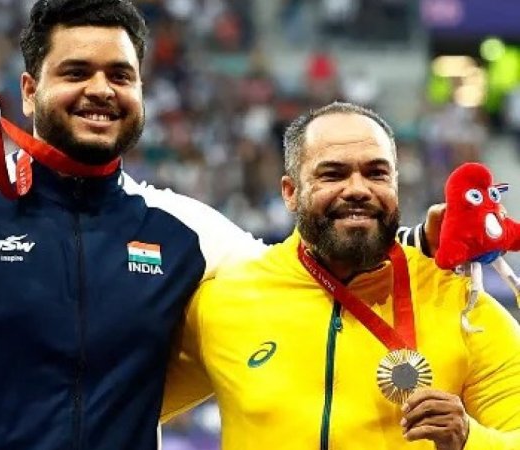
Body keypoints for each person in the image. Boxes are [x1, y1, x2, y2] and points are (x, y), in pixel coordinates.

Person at [0, 0, 433, 448]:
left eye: (121, 74)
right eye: (76, 72)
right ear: (29, 91)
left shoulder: (184, 232)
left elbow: (305, 275)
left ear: (141, 92)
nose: (101, 89)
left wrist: (422, 242)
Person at [161, 102, 520, 450]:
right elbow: (136, 411)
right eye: (333, 174)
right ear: (290, 192)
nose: (358, 189)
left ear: (395, 185)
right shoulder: (223, 302)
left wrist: (469, 440)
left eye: (376, 173)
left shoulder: (465, 310)